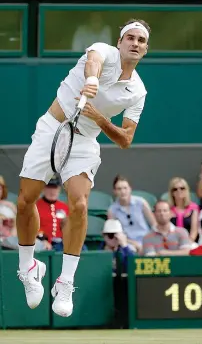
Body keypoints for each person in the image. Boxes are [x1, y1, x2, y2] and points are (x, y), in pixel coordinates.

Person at [16, 18, 151, 317]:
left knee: (79, 204)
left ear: (145, 49)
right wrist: (91, 80)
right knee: (25, 201)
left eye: (141, 41)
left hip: (86, 142)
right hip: (53, 127)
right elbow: (94, 62)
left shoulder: (138, 92)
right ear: (120, 42)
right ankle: (29, 266)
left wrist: (99, 117)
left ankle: (65, 281)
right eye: (130, 37)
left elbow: (126, 139)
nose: (135, 43)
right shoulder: (102, 51)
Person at [108, 175, 156, 254]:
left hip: (147, 240)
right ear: (115, 191)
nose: (123, 191)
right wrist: (135, 244)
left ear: (130, 189)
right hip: (127, 242)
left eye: (125, 188)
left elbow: (154, 225)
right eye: (119, 189)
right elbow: (115, 234)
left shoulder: (141, 202)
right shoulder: (112, 210)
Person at [167, 177, 199, 242]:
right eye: (175, 189)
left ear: (186, 190)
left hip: (190, 242)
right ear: (172, 193)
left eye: (182, 188)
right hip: (170, 243)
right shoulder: (167, 209)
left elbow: (194, 231)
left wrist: (187, 244)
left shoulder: (193, 208)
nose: (179, 191)